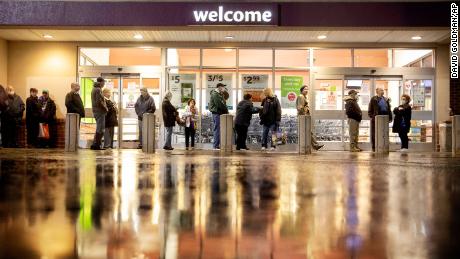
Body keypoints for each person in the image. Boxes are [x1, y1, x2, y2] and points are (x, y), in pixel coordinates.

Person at [296, 85, 324, 151]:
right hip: (303, 117)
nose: (306, 91)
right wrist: (304, 115)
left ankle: (315, 145)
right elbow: (300, 107)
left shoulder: (304, 97)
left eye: (307, 89)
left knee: (309, 132)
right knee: (307, 132)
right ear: (301, 90)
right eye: (305, 89)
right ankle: (314, 146)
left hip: (305, 117)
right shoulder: (301, 97)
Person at [368, 87, 392, 152]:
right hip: (376, 118)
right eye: (381, 90)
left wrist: (390, 117)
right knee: (374, 132)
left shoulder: (385, 99)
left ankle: (383, 146)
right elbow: (370, 109)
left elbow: (389, 109)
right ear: (377, 91)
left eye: (383, 90)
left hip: (385, 118)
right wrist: (372, 116)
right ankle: (374, 147)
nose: (382, 91)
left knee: (384, 132)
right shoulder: (374, 99)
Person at [209, 83, 229, 149]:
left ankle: (217, 145)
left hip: (219, 113)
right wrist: (226, 110)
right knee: (217, 129)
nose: (224, 88)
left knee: (218, 129)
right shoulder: (215, 94)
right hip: (216, 113)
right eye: (223, 87)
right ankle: (216, 145)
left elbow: (223, 103)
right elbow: (219, 104)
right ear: (219, 87)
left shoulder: (219, 94)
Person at [90, 77, 108, 150]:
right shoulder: (97, 89)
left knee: (99, 128)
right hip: (99, 112)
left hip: (97, 111)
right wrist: (105, 108)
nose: (104, 84)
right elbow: (99, 101)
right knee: (100, 129)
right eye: (104, 82)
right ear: (100, 82)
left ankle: (95, 144)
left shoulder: (95, 89)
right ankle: (96, 145)